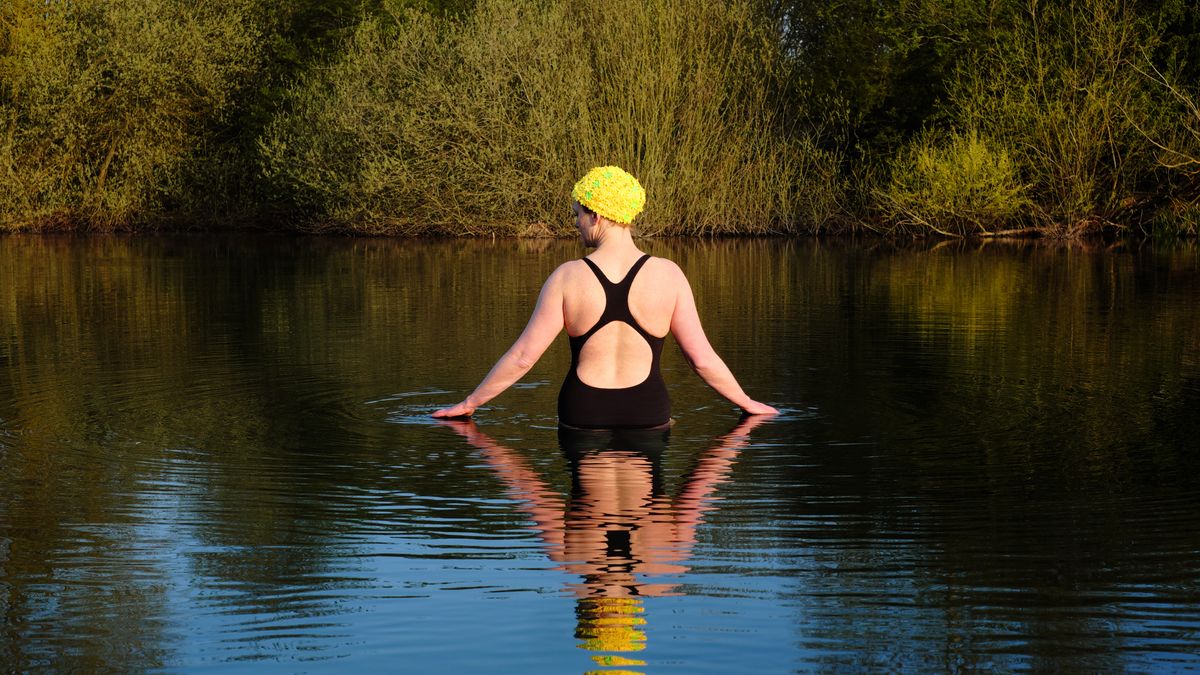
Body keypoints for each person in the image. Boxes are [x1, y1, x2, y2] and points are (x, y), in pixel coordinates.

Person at [432, 165, 777, 427]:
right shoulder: (669, 275)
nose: (576, 224)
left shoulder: (566, 277)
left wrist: (470, 402)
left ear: (596, 215)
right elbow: (700, 359)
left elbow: (524, 357)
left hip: (584, 412)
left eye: (577, 215)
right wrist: (746, 403)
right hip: (647, 411)